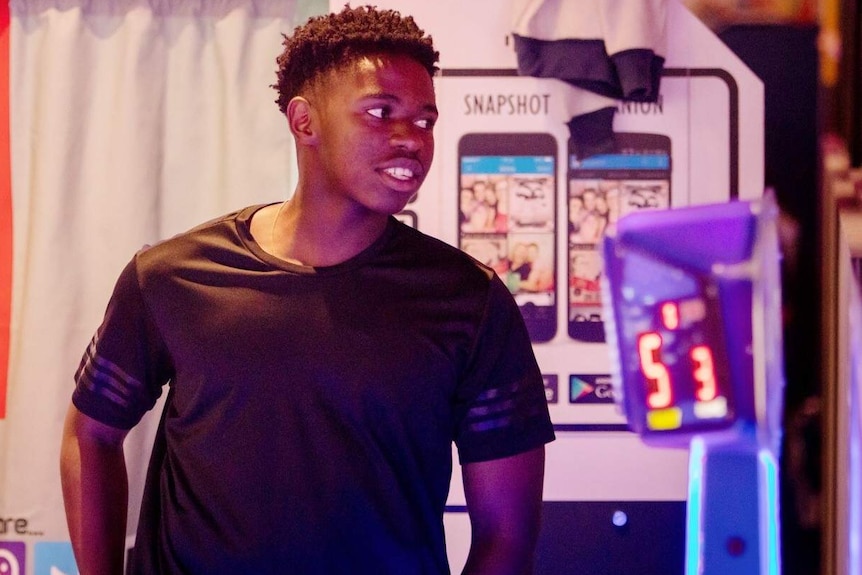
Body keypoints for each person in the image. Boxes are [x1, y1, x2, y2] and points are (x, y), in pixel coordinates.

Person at [59, 6, 555, 575]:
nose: (412, 140)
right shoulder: (170, 277)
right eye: (380, 112)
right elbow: (90, 434)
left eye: (424, 120)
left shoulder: (470, 302)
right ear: (304, 121)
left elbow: (508, 536)